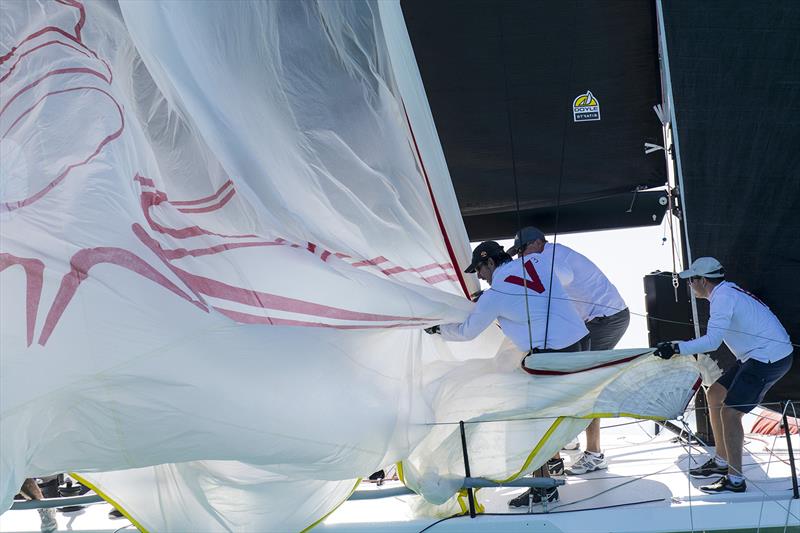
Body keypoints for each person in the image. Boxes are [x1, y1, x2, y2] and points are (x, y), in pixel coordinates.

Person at [425, 240, 589, 506]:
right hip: (581, 340)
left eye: (479, 269)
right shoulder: (536, 261)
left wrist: (437, 329)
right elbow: (562, 278)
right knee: (558, 408)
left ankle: (543, 488)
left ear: (490, 262)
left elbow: (468, 331)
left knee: (531, 418)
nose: (479, 277)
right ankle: (553, 466)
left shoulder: (494, 295)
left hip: (553, 354)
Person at [653, 257, 794, 493]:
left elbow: (712, 342)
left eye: (691, 280)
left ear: (703, 281)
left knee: (730, 413)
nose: (689, 285)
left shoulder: (723, 298)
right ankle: (721, 460)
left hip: (768, 358)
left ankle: (736, 480)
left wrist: (676, 348)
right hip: (756, 355)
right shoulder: (724, 291)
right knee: (716, 393)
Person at [508, 227, 630, 476]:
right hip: (596, 320)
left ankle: (595, 454)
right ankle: (570, 435)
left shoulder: (553, 256)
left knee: (582, 384)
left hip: (606, 319)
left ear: (538, 243)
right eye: (518, 253)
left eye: (523, 250)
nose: (521, 257)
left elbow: (556, 281)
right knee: (572, 381)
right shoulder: (546, 256)